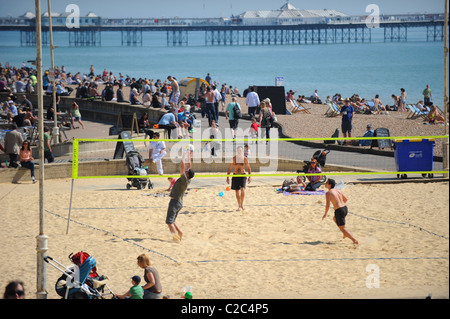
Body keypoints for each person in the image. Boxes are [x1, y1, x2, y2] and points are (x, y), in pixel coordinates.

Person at [166, 149, 195, 241]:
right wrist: (189, 155)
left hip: (175, 202)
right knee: (173, 220)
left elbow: (182, 167)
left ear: (187, 174)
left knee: (169, 222)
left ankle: (175, 237)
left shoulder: (184, 179)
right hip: (179, 202)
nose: (186, 170)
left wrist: (183, 156)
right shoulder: (188, 179)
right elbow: (189, 166)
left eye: (187, 171)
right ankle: (180, 232)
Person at [322, 179, 358, 245]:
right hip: (345, 208)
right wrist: (340, 205)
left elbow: (327, 205)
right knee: (334, 219)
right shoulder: (338, 190)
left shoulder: (328, 193)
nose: (325, 183)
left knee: (343, 228)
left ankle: (354, 240)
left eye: (326, 182)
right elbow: (345, 199)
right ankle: (345, 234)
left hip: (339, 210)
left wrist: (325, 214)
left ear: (329, 185)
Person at [226, 146, 251, 211]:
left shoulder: (245, 159)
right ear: (237, 151)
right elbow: (230, 168)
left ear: (242, 151)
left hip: (242, 175)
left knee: (242, 189)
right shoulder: (234, 158)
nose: (239, 151)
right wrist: (227, 177)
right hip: (235, 175)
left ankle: (242, 205)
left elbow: (249, 168)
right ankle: (239, 206)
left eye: (241, 150)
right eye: (238, 150)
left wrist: (249, 177)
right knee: (237, 191)